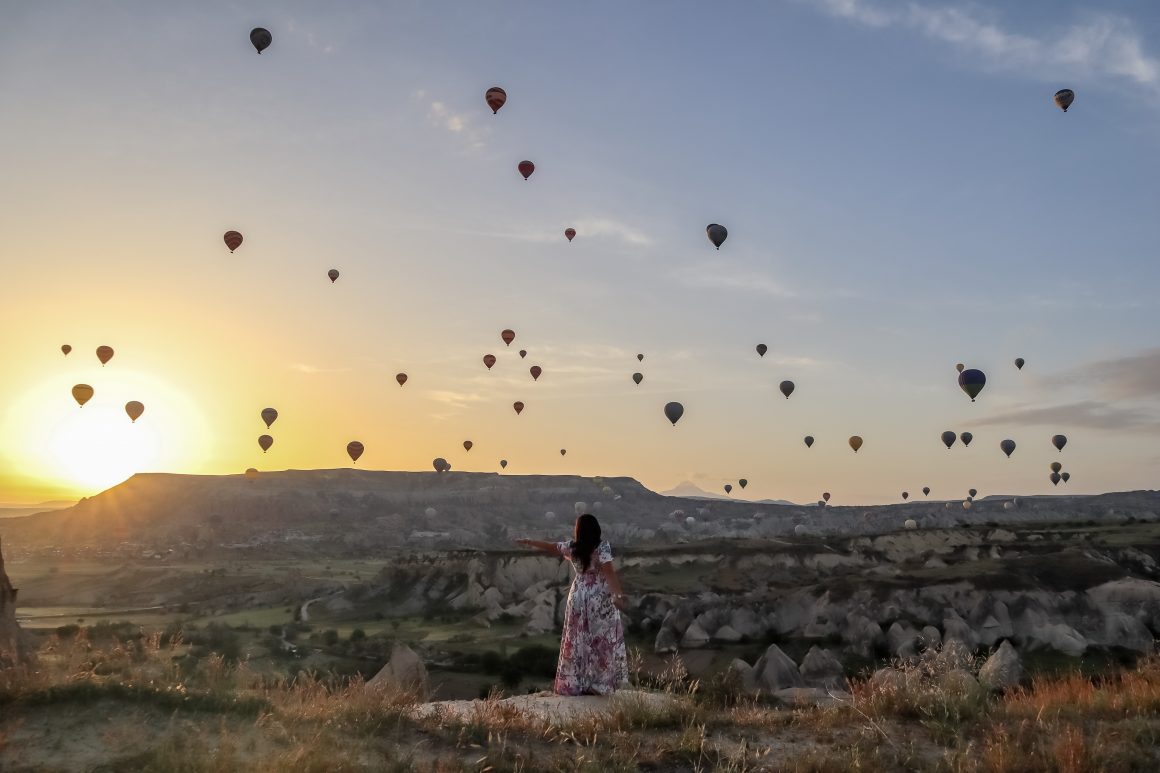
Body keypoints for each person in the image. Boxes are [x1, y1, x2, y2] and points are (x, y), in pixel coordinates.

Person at [515, 513, 629, 695]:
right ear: (596, 528)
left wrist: (529, 542)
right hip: (599, 598)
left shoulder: (572, 547)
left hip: (577, 596)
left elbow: (552, 547)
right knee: (602, 640)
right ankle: (600, 684)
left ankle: (576, 683)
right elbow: (609, 573)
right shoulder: (602, 547)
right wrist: (617, 595)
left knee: (577, 640)